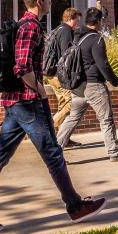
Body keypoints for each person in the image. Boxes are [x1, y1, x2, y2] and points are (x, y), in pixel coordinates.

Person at [0, 0, 106, 233]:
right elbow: (21, 67)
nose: (52, 2)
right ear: (40, 1)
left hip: (14, 103)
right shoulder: (31, 27)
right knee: (53, 154)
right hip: (27, 103)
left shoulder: (22, 25)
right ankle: (75, 207)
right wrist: (39, 90)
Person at [56, 7, 118, 160]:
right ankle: (114, 152)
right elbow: (102, 64)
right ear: (99, 21)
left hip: (78, 85)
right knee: (106, 119)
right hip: (94, 85)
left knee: (72, 118)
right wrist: (114, 80)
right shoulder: (96, 39)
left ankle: (55, 151)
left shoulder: (77, 36)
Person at [44, 7, 84, 146]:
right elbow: (66, 56)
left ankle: (63, 139)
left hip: (51, 74)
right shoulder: (66, 31)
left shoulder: (57, 29)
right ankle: (48, 130)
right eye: (77, 19)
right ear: (71, 18)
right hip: (59, 75)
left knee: (63, 104)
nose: (78, 22)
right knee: (70, 104)